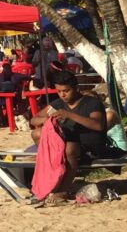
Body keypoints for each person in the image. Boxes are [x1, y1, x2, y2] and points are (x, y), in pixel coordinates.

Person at [30, 70, 110, 201]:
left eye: (66, 91)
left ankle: (62, 190)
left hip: (90, 148)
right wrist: (46, 120)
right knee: (37, 133)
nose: (62, 95)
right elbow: (34, 119)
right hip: (65, 146)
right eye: (59, 91)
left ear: (76, 88)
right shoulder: (58, 104)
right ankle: (51, 179)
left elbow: (98, 125)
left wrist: (69, 115)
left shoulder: (91, 103)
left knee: (70, 148)